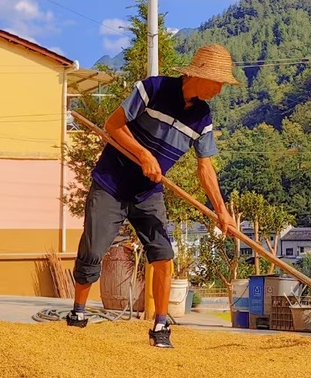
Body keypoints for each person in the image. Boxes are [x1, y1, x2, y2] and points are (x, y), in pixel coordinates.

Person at [69, 43, 240, 348]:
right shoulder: (153, 89)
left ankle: (161, 326)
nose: (220, 89)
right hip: (112, 182)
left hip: (148, 191)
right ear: (199, 75)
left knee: (163, 256)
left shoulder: (203, 116)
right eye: (218, 82)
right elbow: (113, 125)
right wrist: (144, 154)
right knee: (93, 250)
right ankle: (78, 313)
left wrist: (221, 211)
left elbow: (206, 168)